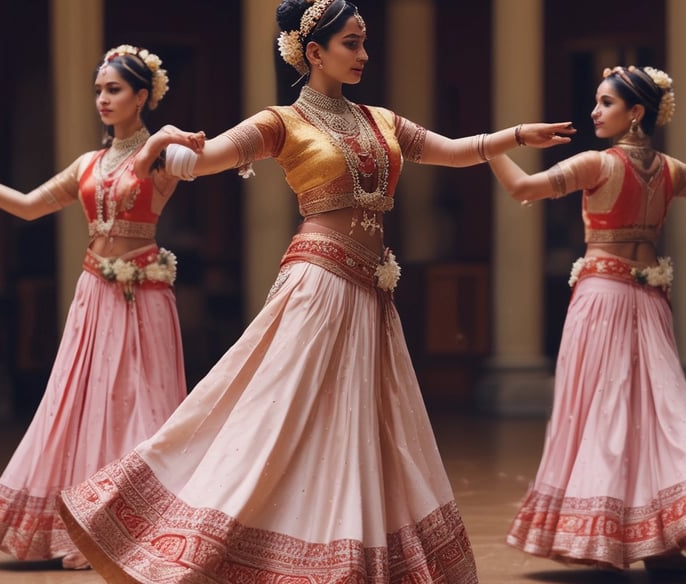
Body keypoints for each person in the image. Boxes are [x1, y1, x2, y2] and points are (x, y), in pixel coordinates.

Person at [57, 2, 573, 582]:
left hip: (370, 293)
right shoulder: (281, 122)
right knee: (271, 416)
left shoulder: (381, 119)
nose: (363, 54)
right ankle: (187, 530)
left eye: (364, 42)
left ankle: (342, 555)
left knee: (360, 427)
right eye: (351, 43)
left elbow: (450, 151)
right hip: (318, 283)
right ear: (314, 52)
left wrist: (515, 135)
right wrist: (164, 142)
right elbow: (203, 161)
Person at [488, 65, 686, 575]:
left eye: (606, 103)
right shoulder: (670, 169)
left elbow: (524, 189)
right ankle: (657, 540)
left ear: (635, 111)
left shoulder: (597, 164)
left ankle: (611, 536)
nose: (595, 112)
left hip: (602, 299)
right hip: (649, 300)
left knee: (603, 410)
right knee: (655, 412)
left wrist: (490, 149)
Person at [0, 44, 192, 570]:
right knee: (87, 405)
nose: (103, 99)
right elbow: (28, 206)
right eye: (98, 90)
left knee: (142, 405)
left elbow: (173, 161)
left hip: (144, 296)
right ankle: (85, 526)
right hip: (95, 295)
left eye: (114, 89)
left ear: (142, 95)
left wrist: (161, 136)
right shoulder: (89, 164)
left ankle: (132, 528)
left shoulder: (163, 158)